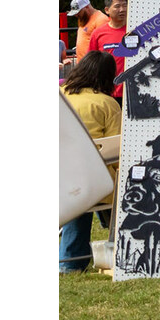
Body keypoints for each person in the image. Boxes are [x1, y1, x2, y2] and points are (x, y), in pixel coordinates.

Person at [60, 50, 121, 272]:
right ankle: (115, 252)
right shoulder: (107, 104)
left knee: (77, 198)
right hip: (95, 182)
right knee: (103, 193)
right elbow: (118, 150)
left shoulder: (59, 95)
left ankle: (71, 262)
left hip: (61, 177)